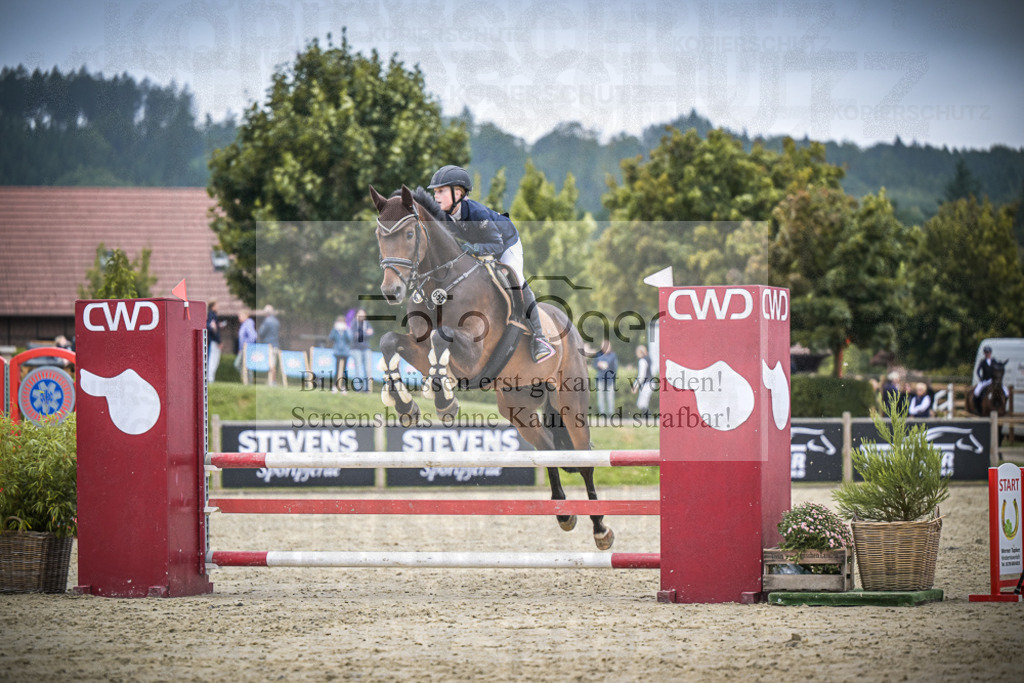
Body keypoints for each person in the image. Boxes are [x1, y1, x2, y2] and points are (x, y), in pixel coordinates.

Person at [422, 165, 555, 363]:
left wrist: (473, 249)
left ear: (457, 193)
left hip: (506, 244)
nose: (436, 196)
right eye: (435, 192)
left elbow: (496, 244)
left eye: (441, 191)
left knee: (516, 279)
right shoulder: (444, 217)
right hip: (479, 246)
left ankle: (540, 338)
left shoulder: (476, 213)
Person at [348, 308, 374, 392]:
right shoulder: (353, 324)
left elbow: (371, 333)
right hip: (356, 349)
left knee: (367, 369)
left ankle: (367, 389)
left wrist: (361, 333)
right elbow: (354, 336)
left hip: (366, 348)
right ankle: (358, 388)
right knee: (358, 369)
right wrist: (365, 333)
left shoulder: (367, 324)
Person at [594, 339, 618, 418]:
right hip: (600, 379)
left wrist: (607, 366)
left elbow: (615, 368)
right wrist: (599, 365)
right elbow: (594, 365)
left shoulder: (613, 355)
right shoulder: (598, 355)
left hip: (610, 380)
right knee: (601, 397)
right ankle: (602, 413)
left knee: (610, 397)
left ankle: (610, 413)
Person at [327, 315, 351, 393]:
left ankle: (343, 387)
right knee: (337, 370)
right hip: (337, 352)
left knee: (344, 371)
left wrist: (346, 330)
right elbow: (331, 338)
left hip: (345, 352)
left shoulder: (347, 330)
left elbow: (350, 339)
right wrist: (334, 329)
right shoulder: (335, 330)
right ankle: (335, 386)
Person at [258, 304, 280, 386]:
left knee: (270, 364)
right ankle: (272, 381)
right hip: (275, 344)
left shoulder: (267, 321)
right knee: (273, 363)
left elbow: (261, 332)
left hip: (268, 345)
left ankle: (272, 382)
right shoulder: (276, 321)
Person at [234, 309, 258, 383]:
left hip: (247, 348)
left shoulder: (249, 323)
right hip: (243, 349)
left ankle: (248, 381)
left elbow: (253, 336)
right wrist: (240, 348)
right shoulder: (244, 324)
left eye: (240, 316)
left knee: (240, 364)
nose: (239, 318)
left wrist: (246, 344)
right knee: (244, 365)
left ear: (245, 315)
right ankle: (247, 380)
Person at [632, 345, 654, 418]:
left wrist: (635, 386)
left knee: (642, 404)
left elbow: (641, 376)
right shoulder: (648, 359)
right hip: (651, 383)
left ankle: (648, 419)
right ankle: (647, 418)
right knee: (643, 403)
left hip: (647, 384)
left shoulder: (642, 361)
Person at [206, 300, 223, 383]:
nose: (218, 306)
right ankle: (210, 379)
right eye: (217, 305)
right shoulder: (213, 315)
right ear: (213, 306)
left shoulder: (209, 315)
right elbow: (214, 329)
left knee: (211, 360)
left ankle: (210, 378)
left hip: (211, 341)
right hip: (213, 341)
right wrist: (219, 341)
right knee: (213, 360)